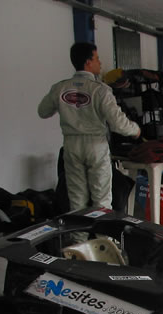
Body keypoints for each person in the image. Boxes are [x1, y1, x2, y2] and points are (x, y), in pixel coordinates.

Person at [38, 42, 140, 214]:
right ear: (87, 62)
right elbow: (117, 123)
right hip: (95, 146)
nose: (100, 63)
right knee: (101, 200)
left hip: (71, 146)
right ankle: (103, 239)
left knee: (77, 201)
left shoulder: (60, 87)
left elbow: (43, 111)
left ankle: (80, 239)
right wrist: (135, 130)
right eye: (97, 59)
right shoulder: (100, 90)